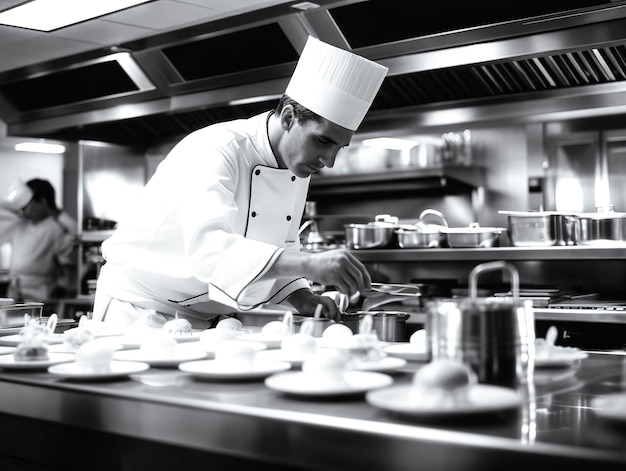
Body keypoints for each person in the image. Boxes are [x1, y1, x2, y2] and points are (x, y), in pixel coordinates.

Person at [92, 36, 388, 329]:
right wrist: (310, 264)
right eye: (323, 140)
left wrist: (303, 298)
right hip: (138, 311)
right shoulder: (216, 148)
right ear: (288, 118)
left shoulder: (297, 165)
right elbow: (209, 248)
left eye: (339, 146)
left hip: (202, 320)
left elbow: (282, 243)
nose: (329, 160)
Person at [0, 178, 77, 304]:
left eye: (27, 205)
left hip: (41, 293)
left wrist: (63, 286)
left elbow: (70, 261)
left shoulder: (56, 227)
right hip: (14, 289)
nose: (23, 210)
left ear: (42, 202)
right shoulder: (19, 224)